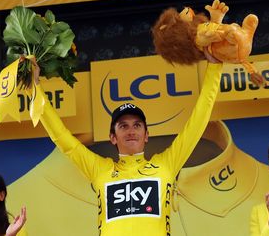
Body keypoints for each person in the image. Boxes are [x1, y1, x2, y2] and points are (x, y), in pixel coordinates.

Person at [31, 44, 222, 235]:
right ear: (113, 138)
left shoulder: (166, 164)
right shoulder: (100, 169)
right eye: (123, 126)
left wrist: (214, 68)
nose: (131, 131)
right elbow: (62, 138)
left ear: (146, 135)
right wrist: (36, 86)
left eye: (137, 125)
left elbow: (198, 122)